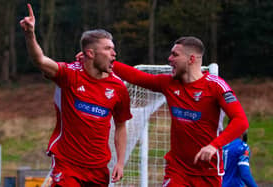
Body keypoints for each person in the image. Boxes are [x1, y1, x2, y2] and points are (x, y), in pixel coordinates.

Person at [111, 36, 249, 186]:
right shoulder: (169, 83)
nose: (169, 59)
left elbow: (241, 121)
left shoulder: (216, 86)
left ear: (191, 59)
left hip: (208, 171)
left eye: (175, 55)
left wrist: (214, 145)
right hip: (177, 169)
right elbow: (137, 76)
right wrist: (107, 61)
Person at [20, 4, 132, 187]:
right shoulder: (69, 75)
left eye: (113, 48)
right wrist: (30, 34)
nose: (114, 53)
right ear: (90, 53)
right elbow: (40, 60)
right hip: (67, 165)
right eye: (108, 49)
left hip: (98, 169)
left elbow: (120, 126)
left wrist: (120, 162)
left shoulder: (118, 87)